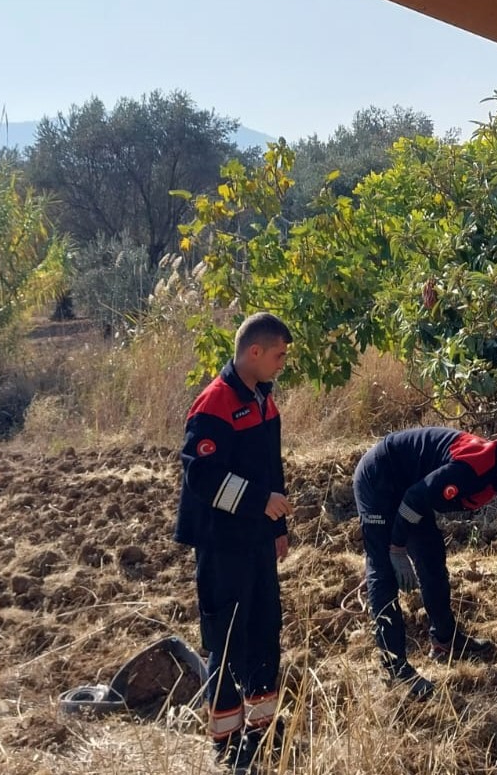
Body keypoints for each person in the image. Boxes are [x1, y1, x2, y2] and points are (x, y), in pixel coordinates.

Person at [352, 427, 497, 698]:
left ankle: (445, 640)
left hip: (413, 488)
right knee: (384, 572)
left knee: (431, 558)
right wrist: (396, 548)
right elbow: (415, 499)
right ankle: (395, 669)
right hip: (380, 478)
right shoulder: (469, 470)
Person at [175, 312, 293, 772]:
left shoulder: (264, 398)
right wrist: (260, 502)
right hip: (222, 542)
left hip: (257, 539)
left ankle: (263, 728)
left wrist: (276, 526)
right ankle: (227, 741)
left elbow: (272, 468)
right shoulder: (214, 403)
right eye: (279, 355)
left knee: (265, 628)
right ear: (255, 352)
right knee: (225, 639)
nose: (283, 364)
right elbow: (200, 476)